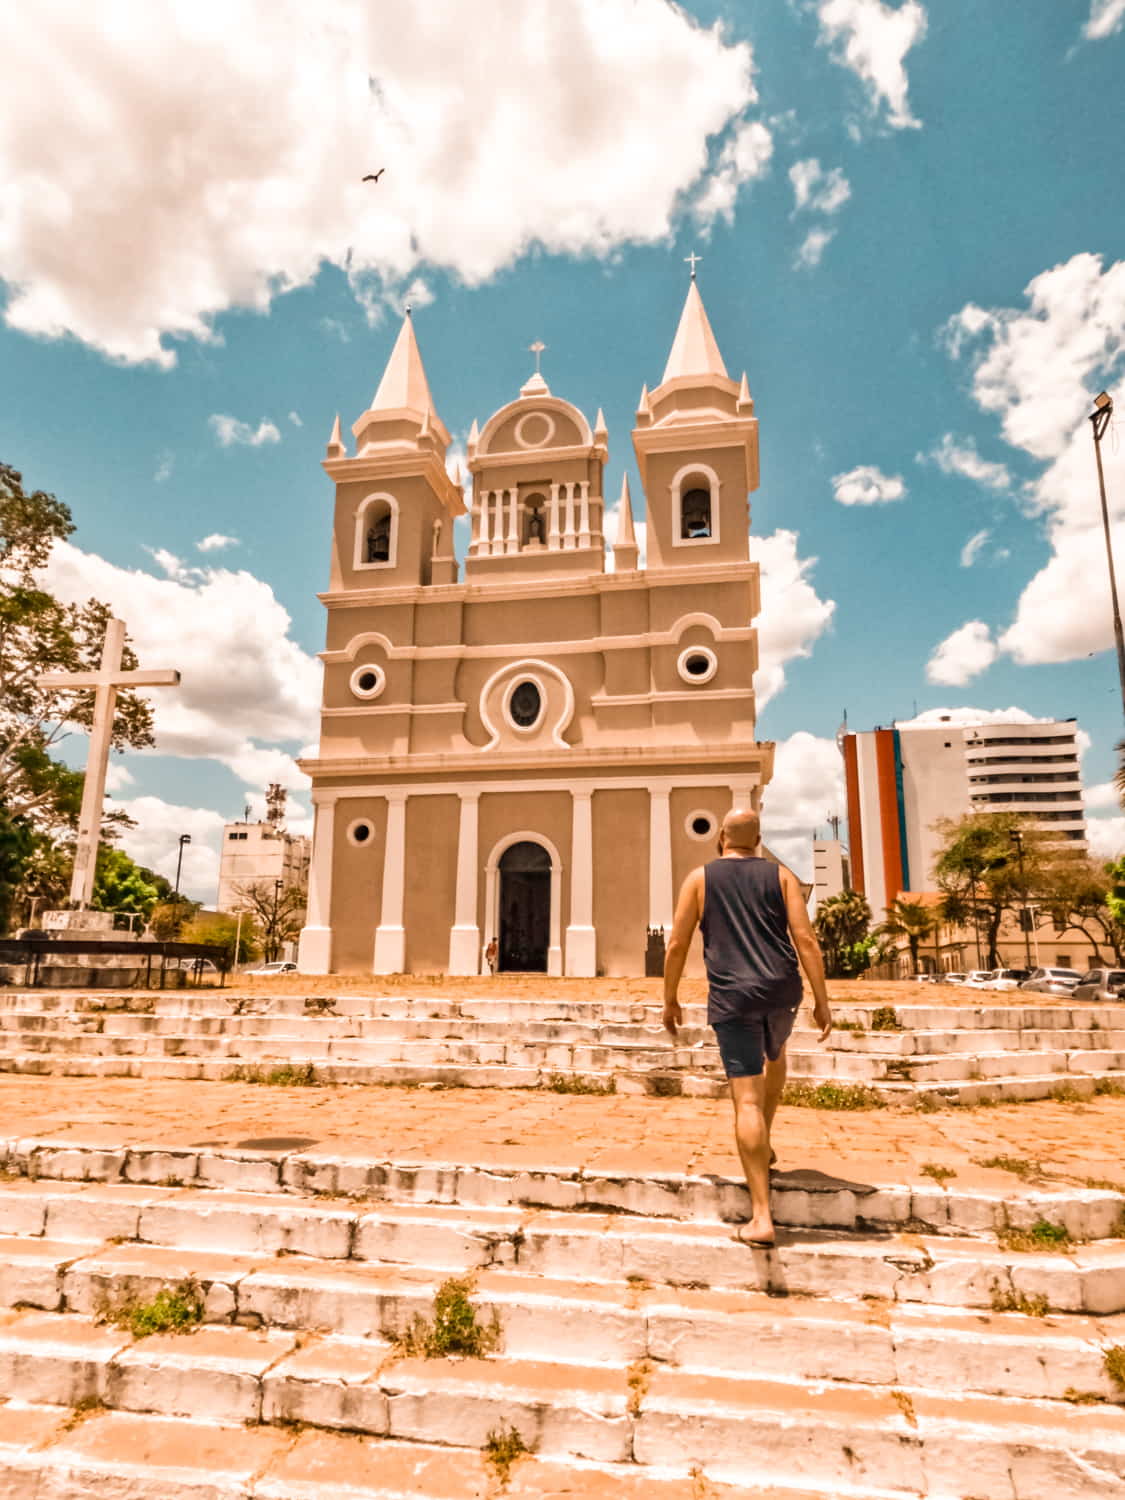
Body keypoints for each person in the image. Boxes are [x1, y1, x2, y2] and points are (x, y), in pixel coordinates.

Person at [662, 807, 832, 1248]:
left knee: (747, 1101)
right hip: (782, 990)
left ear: (721, 837)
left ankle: (761, 1216)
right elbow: (806, 940)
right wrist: (822, 1001)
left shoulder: (700, 879)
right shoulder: (781, 877)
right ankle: (767, 1147)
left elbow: (678, 943)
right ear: (757, 840)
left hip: (734, 995)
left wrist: (669, 998)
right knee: (776, 1057)